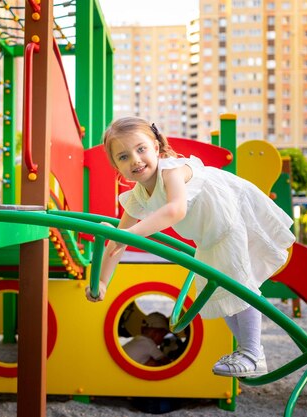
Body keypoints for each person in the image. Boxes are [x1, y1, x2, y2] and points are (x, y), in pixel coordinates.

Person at [85, 117, 295, 378]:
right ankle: (249, 352)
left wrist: (127, 234)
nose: (136, 160)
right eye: (124, 157)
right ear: (116, 165)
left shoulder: (172, 171)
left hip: (229, 216)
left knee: (239, 285)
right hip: (209, 237)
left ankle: (253, 353)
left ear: (155, 145)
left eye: (141, 149)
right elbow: (117, 243)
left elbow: (175, 210)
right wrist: (103, 282)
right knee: (217, 292)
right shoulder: (139, 195)